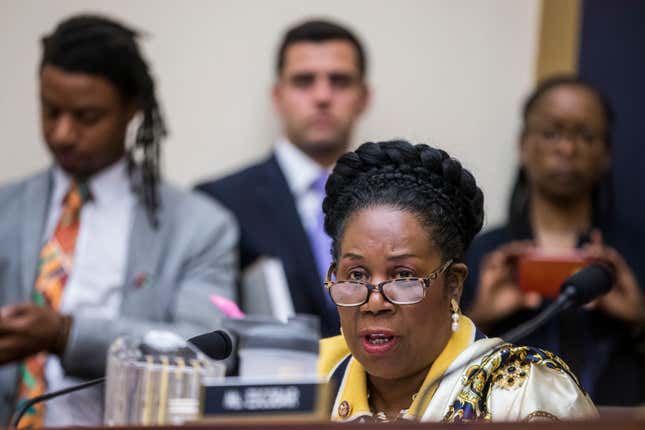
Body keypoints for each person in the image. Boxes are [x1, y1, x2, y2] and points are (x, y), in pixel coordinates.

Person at [0, 15, 238, 427]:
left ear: (132, 109)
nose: (62, 133)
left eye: (87, 117)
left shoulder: (200, 227)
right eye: (50, 110)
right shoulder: (5, 208)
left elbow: (207, 352)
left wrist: (66, 334)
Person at [318, 140, 597, 423]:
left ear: (453, 284)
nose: (374, 302)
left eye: (403, 276)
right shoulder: (306, 379)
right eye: (356, 275)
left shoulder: (522, 393)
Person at [462, 75, 645, 406]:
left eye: (585, 136)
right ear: (523, 145)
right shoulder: (479, 255)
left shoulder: (635, 254)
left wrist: (638, 318)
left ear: (607, 153)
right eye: (551, 133)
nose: (567, 148)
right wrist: (481, 318)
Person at [196, 19, 370, 338]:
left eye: (340, 81)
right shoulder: (219, 202)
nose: (322, 96)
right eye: (304, 81)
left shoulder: (399, 200)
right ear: (277, 96)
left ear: (364, 97)